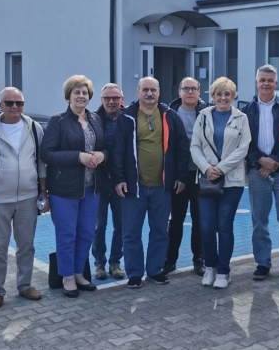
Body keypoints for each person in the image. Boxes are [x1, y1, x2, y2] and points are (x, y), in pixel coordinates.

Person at [0, 87, 48, 309]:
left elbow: (41, 162)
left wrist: (43, 192)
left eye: (19, 103)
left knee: (26, 245)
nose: (15, 107)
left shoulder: (34, 128)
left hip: (28, 197)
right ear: (0, 105)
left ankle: (24, 285)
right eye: (9, 103)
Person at [114, 77, 189, 288]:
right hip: (134, 187)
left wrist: (180, 176)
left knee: (160, 232)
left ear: (159, 92)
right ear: (138, 92)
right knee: (131, 233)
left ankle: (155, 270)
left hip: (162, 187)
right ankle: (135, 273)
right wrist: (119, 178)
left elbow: (182, 148)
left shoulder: (170, 116)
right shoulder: (126, 117)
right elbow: (117, 150)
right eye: (145, 90)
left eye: (153, 90)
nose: (149, 94)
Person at [41, 75, 107, 298]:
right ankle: (67, 276)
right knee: (67, 234)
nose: (81, 96)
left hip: (91, 188)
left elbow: (105, 148)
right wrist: (78, 157)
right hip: (64, 190)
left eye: (85, 92)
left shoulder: (96, 119)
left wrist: (102, 155)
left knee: (86, 233)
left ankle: (79, 273)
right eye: (76, 92)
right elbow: (46, 154)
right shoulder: (57, 121)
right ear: (68, 96)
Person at [190, 77, 251, 289]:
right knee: (206, 227)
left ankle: (224, 271)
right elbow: (195, 146)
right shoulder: (203, 116)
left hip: (232, 181)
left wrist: (221, 168)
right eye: (219, 93)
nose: (223, 98)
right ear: (213, 95)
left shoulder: (241, 118)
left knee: (224, 226)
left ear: (233, 96)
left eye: (227, 94)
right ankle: (210, 266)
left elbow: (243, 148)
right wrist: (207, 168)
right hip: (207, 179)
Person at [241, 65, 279, 281]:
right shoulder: (246, 111)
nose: (266, 83)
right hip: (257, 173)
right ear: (257, 82)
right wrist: (259, 160)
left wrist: (274, 161)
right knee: (259, 220)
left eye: (270, 80)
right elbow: (243, 141)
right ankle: (263, 263)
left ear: (276, 83)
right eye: (262, 80)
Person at [164, 77, 208, 276]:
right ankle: (170, 259)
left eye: (193, 89)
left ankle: (199, 258)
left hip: (201, 175)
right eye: (186, 88)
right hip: (178, 177)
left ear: (199, 91)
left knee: (200, 220)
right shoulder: (169, 114)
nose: (190, 92)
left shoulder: (208, 113)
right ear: (179, 91)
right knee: (176, 220)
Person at [92, 83, 126, 281]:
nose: (111, 102)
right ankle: (99, 264)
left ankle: (115, 263)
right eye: (107, 98)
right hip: (99, 182)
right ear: (101, 100)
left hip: (122, 182)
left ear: (122, 99)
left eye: (115, 98)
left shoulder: (129, 119)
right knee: (99, 226)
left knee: (121, 225)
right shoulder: (93, 120)